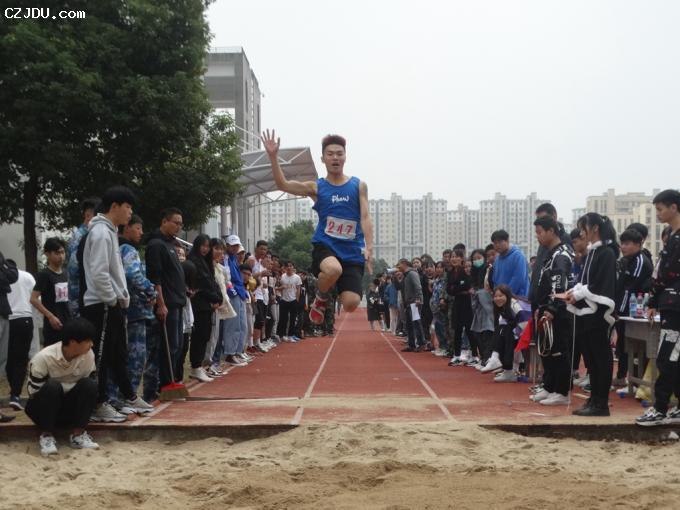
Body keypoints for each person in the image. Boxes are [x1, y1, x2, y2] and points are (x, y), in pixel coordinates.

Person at [262, 130, 374, 326]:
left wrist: (370, 247)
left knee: (351, 304)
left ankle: (335, 287)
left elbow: (365, 217)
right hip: (326, 246)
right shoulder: (317, 187)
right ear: (323, 159)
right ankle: (321, 297)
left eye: (339, 153)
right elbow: (283, 184)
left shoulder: (358, 186)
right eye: (330, 154)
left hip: (352, 251)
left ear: (345, 157)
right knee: (333, 269)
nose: (335, 157)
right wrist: (273, 157)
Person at [80, 186, 152, 422]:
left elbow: (113, 271)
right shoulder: (101, 233)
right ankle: (98, 403)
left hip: (113, 303)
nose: (130, 212)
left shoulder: (110, 232)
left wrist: (120, 299)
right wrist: (111, 299)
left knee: (118, 353)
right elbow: (99, 272)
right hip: (101, 303)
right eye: (127, 207)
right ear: (114, 206)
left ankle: (128, 396)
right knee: (101, 356)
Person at [566, 213, 618, 417]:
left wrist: (580, 293)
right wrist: (573, 292)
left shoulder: (606, 253)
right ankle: (594, 398)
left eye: (583, 228)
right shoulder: (592, 253)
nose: (581, 233)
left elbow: (601, 284)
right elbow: (585, 281)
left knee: (600, 357)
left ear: (595, 228)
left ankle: (601, 402)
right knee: (591, 358)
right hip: (587, 313)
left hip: (598, 314)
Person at [636, 190, 680, 426]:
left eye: (661, 209)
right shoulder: (672, 236)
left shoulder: (677, 239)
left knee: (667, 357)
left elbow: (666, 272)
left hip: (675, 306)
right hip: (670, 304)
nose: (658, 214)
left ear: (674, 207)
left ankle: (661, 408)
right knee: (673, 357)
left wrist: (653, 296)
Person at [25, 317, 100, 456]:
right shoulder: (44, 358)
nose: (92, 344)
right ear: (73, 342)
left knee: (90, 384)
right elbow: (34, 394)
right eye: (88, 341)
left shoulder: (88, 355)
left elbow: (87, 391)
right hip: (43, 410)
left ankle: (78, 435)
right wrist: (60, 389)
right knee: (52, 386)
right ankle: (46, 436)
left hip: (69, 410)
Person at [107, 215, 158, 410]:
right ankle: (126, 397)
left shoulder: (115, 248)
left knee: (121, 356)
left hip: (125, 310)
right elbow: (133, 274)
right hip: (134, 312)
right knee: (135, 357)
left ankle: (119, 397)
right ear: (126, 228)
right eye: (138, 228)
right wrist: (151, 290)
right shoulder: (127, 249)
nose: (141, 232)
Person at [144, 207, 189, 399]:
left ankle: (171, 380)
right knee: (168, 346)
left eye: (181, 224)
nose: (178, 227)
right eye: (175, 223)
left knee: (177, 345)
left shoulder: (172, 244)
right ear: (164, 221)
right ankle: (163, 384)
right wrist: (161, 304)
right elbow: (156, 278)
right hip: (167, 304)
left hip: (178, 302)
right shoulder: (156, 244)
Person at [531, 216, 574, 406]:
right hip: (545, 307)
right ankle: (549, 386)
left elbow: (560, 284)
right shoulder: (550, 254)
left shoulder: (562, 255)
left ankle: (562, 391)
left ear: (551, 231)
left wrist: (552, 309)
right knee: (547, 350)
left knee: (558, 351)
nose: (537, 236)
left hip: (558, 310)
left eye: (540, 232)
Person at [613, 228, 653, 387]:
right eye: (622, 243)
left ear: (638, 244)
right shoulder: (626, 260)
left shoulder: (640, 261)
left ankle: (635, 381)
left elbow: (630, 288)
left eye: (627, 243)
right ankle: (622, 377)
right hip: (625, 308)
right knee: (623, 343)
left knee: (635, 346)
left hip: (636, 307)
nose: (623, 247)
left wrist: (618, 310)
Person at [187, 234, 222, 382]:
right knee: (199, 336)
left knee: (205, 335)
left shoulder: (206, 262)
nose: (205, 249)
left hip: (208, 305)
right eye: (203, 245)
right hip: (198, 304)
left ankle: (199, 366)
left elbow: (213, 283)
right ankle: (195, 366)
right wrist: (215, 298)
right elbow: (202, 285)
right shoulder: (193, 261)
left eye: (208, 246)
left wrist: (218, 298)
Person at [482, 285, 531, 382]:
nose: (498, 298)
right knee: (501, 330)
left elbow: (526, 325)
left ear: (508, 295)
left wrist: (515, 334)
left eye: (501, 296)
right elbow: (500, 326)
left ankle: (504, 365)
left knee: (506, 331)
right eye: (495, 296)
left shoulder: (515, 305)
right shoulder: (502, 308)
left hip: (530, 332)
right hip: (518, 333)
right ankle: (497, 360)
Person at [30, 238, 70, 347]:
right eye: (57, 253)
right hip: (53, 325)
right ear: (47, 254)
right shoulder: (45, 275)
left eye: (62, 252)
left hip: (68, 322)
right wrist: (50, 316)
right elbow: (33, 299)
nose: (61, 256)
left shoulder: (66, 273)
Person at [67, 197, 100, 316]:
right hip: (80, 298)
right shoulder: (80, 237)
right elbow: (73, 268)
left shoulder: (90, 234)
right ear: (88, 215)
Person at [6, 268, 33, 413]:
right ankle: (15, 395)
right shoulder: (26, 276)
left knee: (8, 358)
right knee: (21, 359)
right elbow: (36, 298)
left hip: (5, 319)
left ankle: (14, 391)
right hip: (24, 317)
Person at [446, 250, 474, 366]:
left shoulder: (465, 270)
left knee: (469, 330)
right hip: (457, 303)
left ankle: (474, 355)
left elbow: (467, 285)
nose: (454, 259)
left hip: (467, 303)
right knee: (457, 329)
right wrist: (459, 288)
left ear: (462, 258)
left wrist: (456, 288)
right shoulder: (450, 272)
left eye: (457, 256)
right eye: (452, 257)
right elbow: (449, 290)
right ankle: (456, 355)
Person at [470, 250, 494, 368]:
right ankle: (484, 358)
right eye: (474, 259)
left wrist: (479, 293)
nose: (476, 261)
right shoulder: (474, 272)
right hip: (478, 308)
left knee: (487, 333)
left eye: (479, 258)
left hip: (488, 307)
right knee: (477, 333)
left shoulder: (489, 269)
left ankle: (487, 358)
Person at [490, 230, 530, 297]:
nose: (497, 245)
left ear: (507, 241)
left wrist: (506, 295)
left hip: (518, 298)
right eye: (495, 243)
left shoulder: (518, 256)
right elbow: (495, 280)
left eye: (500, 242)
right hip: (502, 299)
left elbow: (518, 279)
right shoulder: (497, 260)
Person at [397, 259, 425, 352]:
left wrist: (418, 299)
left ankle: (421, 343)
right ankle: (411, 344)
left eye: (399, 264)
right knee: (409, 324)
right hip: (409, 303)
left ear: (404, 264)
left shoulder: (412, 274)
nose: (398, 267)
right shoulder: (406, 275)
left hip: (415, 302)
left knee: (416, 323)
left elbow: (418, 287)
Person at [278, 261, 302, 341]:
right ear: (285, 268)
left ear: (293, 267)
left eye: (290, 266)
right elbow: (280, 287)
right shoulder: (282, 276)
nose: (289, 267)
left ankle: (291, 335)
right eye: (287, 266)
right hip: (284, 300)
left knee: (293, 319)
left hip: (293, 300)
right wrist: (281, 295)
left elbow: (298, 289)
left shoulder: (297, 277)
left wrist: (297, 299)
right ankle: (282, 335)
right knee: (283, 319)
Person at [430, 261, 449, 357]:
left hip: (441, 307)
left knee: (442, 327)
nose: (438, 269)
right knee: (437, 327)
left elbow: (444, 292)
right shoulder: (436, 279)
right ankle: (441, 346)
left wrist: (442, 302)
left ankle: (445, 347)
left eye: (441, 267)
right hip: (434, 307)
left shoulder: (445, 279)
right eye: (437, 267)